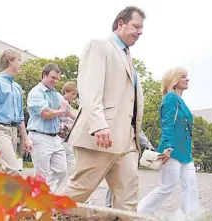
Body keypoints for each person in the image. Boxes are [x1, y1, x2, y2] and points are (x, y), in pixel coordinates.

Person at [59, 6, 146, 211]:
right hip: (100, 136)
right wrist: (99, 125)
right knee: (78, 190)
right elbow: (90, 90)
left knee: (128, 197)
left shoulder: (129, 58)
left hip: (127, 142)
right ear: (120, 24)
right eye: (136, 26)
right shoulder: (99, 46)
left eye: (142, 28)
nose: (140, 32)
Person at [137, 68, 199, 215]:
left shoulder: (180, 100)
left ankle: (190, 216)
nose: (187, 79)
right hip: (171, 151)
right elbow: (167, 124)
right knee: (167, 187)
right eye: (183, 77)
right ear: (174, 80)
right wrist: (168, 147)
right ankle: (139, 212)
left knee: (191, 186)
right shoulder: (170, 98)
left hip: (185, 153)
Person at [27, 63, 72, 193]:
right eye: (53, 77)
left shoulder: (55, 94)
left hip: (54, 137)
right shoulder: (36, 92)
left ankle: (43, 194)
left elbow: (68, 111)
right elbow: (46, 113)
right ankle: (41, 202)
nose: (55, 81)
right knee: (42, 174)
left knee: (62, 171)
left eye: (57, 78)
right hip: (39, 136)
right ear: (44, 75)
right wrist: (61, 111)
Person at [105, 130, 155, 207]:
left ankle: (110, 206)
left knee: (121, 180)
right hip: (104, 146)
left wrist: (147, 144)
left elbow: (136, 128)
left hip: (125, 150)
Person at [58, 81, 78, 176]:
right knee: (65, 165)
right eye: (72, 94)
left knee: (71, 164)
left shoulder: (68, 104)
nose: (74, 97)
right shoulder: (61, 102)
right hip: (60, 136)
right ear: (66, 91)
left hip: (66, 137)